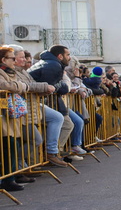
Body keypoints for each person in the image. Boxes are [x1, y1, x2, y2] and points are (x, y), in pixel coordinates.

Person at [28, 44, 86, 161]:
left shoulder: (51, 63)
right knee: (63, 122)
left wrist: (62, 85)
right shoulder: (53, 65)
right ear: (60, 56)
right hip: (40, 102)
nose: (69, 58)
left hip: (44, 102)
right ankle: (51, 153)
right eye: (68, 55)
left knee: (68, 123)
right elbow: (53, 87)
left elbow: (58, 86)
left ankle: (54, 152)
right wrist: (63, 85)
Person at [0, 46, 29, 191]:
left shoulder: (11, 72)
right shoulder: (2, 72)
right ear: (3, 60)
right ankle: (7, 179)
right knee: (8, 145)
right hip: (3, 115)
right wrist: (19, 85)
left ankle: (11, 176)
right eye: (12, 58)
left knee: (12, 145)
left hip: (11, 114)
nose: (15, 60)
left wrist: (17, 86)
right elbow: (4, 85)